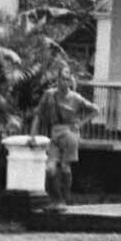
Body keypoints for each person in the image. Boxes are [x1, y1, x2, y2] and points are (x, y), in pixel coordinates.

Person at [33, 72, 99, 210]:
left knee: (65, 166)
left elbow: (95, 110)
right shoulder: (49, 94)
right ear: (57, 79)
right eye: (61, 78)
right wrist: (32, 136)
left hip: (69, 133)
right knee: (50, 168)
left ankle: (63, 200)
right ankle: (55, 200)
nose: (63, 81)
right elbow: (38, 115)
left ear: (70, 82)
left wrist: (80, 124)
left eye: (66, 79)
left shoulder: (75, 97)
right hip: (55, 133)